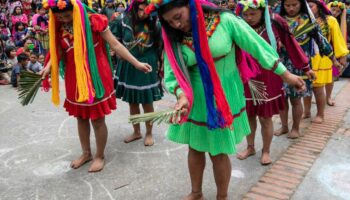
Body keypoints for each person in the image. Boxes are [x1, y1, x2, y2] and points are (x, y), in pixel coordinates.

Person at [146, 0, 305, 199]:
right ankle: (196, 192)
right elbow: (172, 72)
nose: (176, 25)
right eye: (170, 22)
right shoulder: (173, 37)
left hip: (223, 98)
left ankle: (222, 196)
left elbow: (256, 46)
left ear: (192, 5)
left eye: (178, 17)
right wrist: (181, 95)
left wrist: (286, 74)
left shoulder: (225, 21)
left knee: (218, 151)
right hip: (194, 99)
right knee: (194, 147)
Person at [41, 0, 152, 172]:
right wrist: (48, 67)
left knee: (97, 118)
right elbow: (59, 50)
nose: (63, 19)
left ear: (76, 10)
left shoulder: (94, 21)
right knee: (81, 117)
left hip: (96, 76)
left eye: (66, 15)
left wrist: (136, 63)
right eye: (60, 17)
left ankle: (100, 155)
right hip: (74, 77)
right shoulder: (60, 27)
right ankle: (86, 153)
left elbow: (115, 44)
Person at [235, 0, 313, 165]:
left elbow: (292, 45)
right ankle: (250, 147)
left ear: (262, 11)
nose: (248, 18)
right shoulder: (238, 25)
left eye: (253, 14)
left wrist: (306, 67)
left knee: (265, 117)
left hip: (269, 76)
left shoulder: (276, 22)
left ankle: (266, 150)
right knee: (248, 114)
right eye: (246, 14)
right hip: (246, 77)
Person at [275, 0, 335, 137]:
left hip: (301, 67)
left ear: (301, 4)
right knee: (282, 99)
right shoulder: (277, 21)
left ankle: (295, 128)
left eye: (294, 5)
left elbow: (321, 40)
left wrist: (333, 58)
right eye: (287, 5)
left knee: (296, 99)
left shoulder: (308, 21)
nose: (291, 8)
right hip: (281, 65)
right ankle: (284, 126)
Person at [110, 0, 163, 146]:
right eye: (140, 10)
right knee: (132, 101)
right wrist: (115, 49)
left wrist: (160, 63)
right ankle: (136, 132)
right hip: (128, 64)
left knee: (147, 101)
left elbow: (160, 45)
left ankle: (149, 133)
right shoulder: (122, 20)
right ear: (133, 8)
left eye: (146, 11)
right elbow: (114, 38)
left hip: (147, 64)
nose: (143, 14)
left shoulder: (154, 22)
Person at [303, 0, 348, 120]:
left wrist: (342, 56)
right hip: (306, 59)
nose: (308, 8)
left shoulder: (330, 20)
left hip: (323, 59)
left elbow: (337, 39)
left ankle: (320, 114)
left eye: (311, 6)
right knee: (305, 87)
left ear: (318, 7)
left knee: (318, 89)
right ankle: (306, 112)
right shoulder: (302, 19)